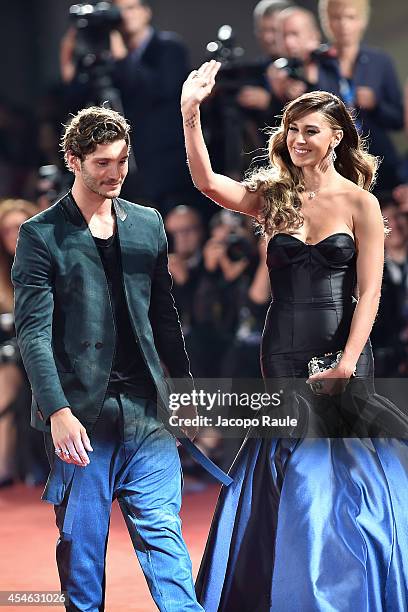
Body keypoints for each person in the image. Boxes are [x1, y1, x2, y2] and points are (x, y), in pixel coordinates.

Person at [181, 60, 408, 610]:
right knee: (286, 459)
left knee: (337, 467)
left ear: (336, 137)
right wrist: (192, 116)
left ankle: (343, 587)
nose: (298, 139)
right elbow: (209, 183)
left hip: (340, 345)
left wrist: (351, 359)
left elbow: (371, 292)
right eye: (291, 128)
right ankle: (282, 583)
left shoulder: (361, 202)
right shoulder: (275, 195)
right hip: (280, 346)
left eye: (311, 129)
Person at [11, 106, 231, 612]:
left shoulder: (148, 224)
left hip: (147, 411)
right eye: (103, 163)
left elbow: (164, 316)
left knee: (166, 544)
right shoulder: (41, 235)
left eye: (122, 161)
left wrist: (184, 388)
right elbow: (33, 335)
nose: (114, 173)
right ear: (74, 160)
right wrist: (58, 411)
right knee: (83, 557)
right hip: (81, 417)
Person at [60, 0, 193, 212]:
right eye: (118, 10)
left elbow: (157, 93)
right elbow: (76, 105)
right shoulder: (105, 55)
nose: (125, 15)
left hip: (166, 169)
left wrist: (122, 58)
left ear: (146, 11)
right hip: (121, 170)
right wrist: (69, 62)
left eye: (131, 8)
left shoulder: (169, 47)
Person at [317, 0, 404, 191]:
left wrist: (376, 104)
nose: (343, 25)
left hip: (379, 161)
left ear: (362, 20)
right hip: (334, 163)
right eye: (336, 17)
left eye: (351, 17)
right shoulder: (317, 64)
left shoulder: (380, 62)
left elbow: (398, 119)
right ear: (326, 21)